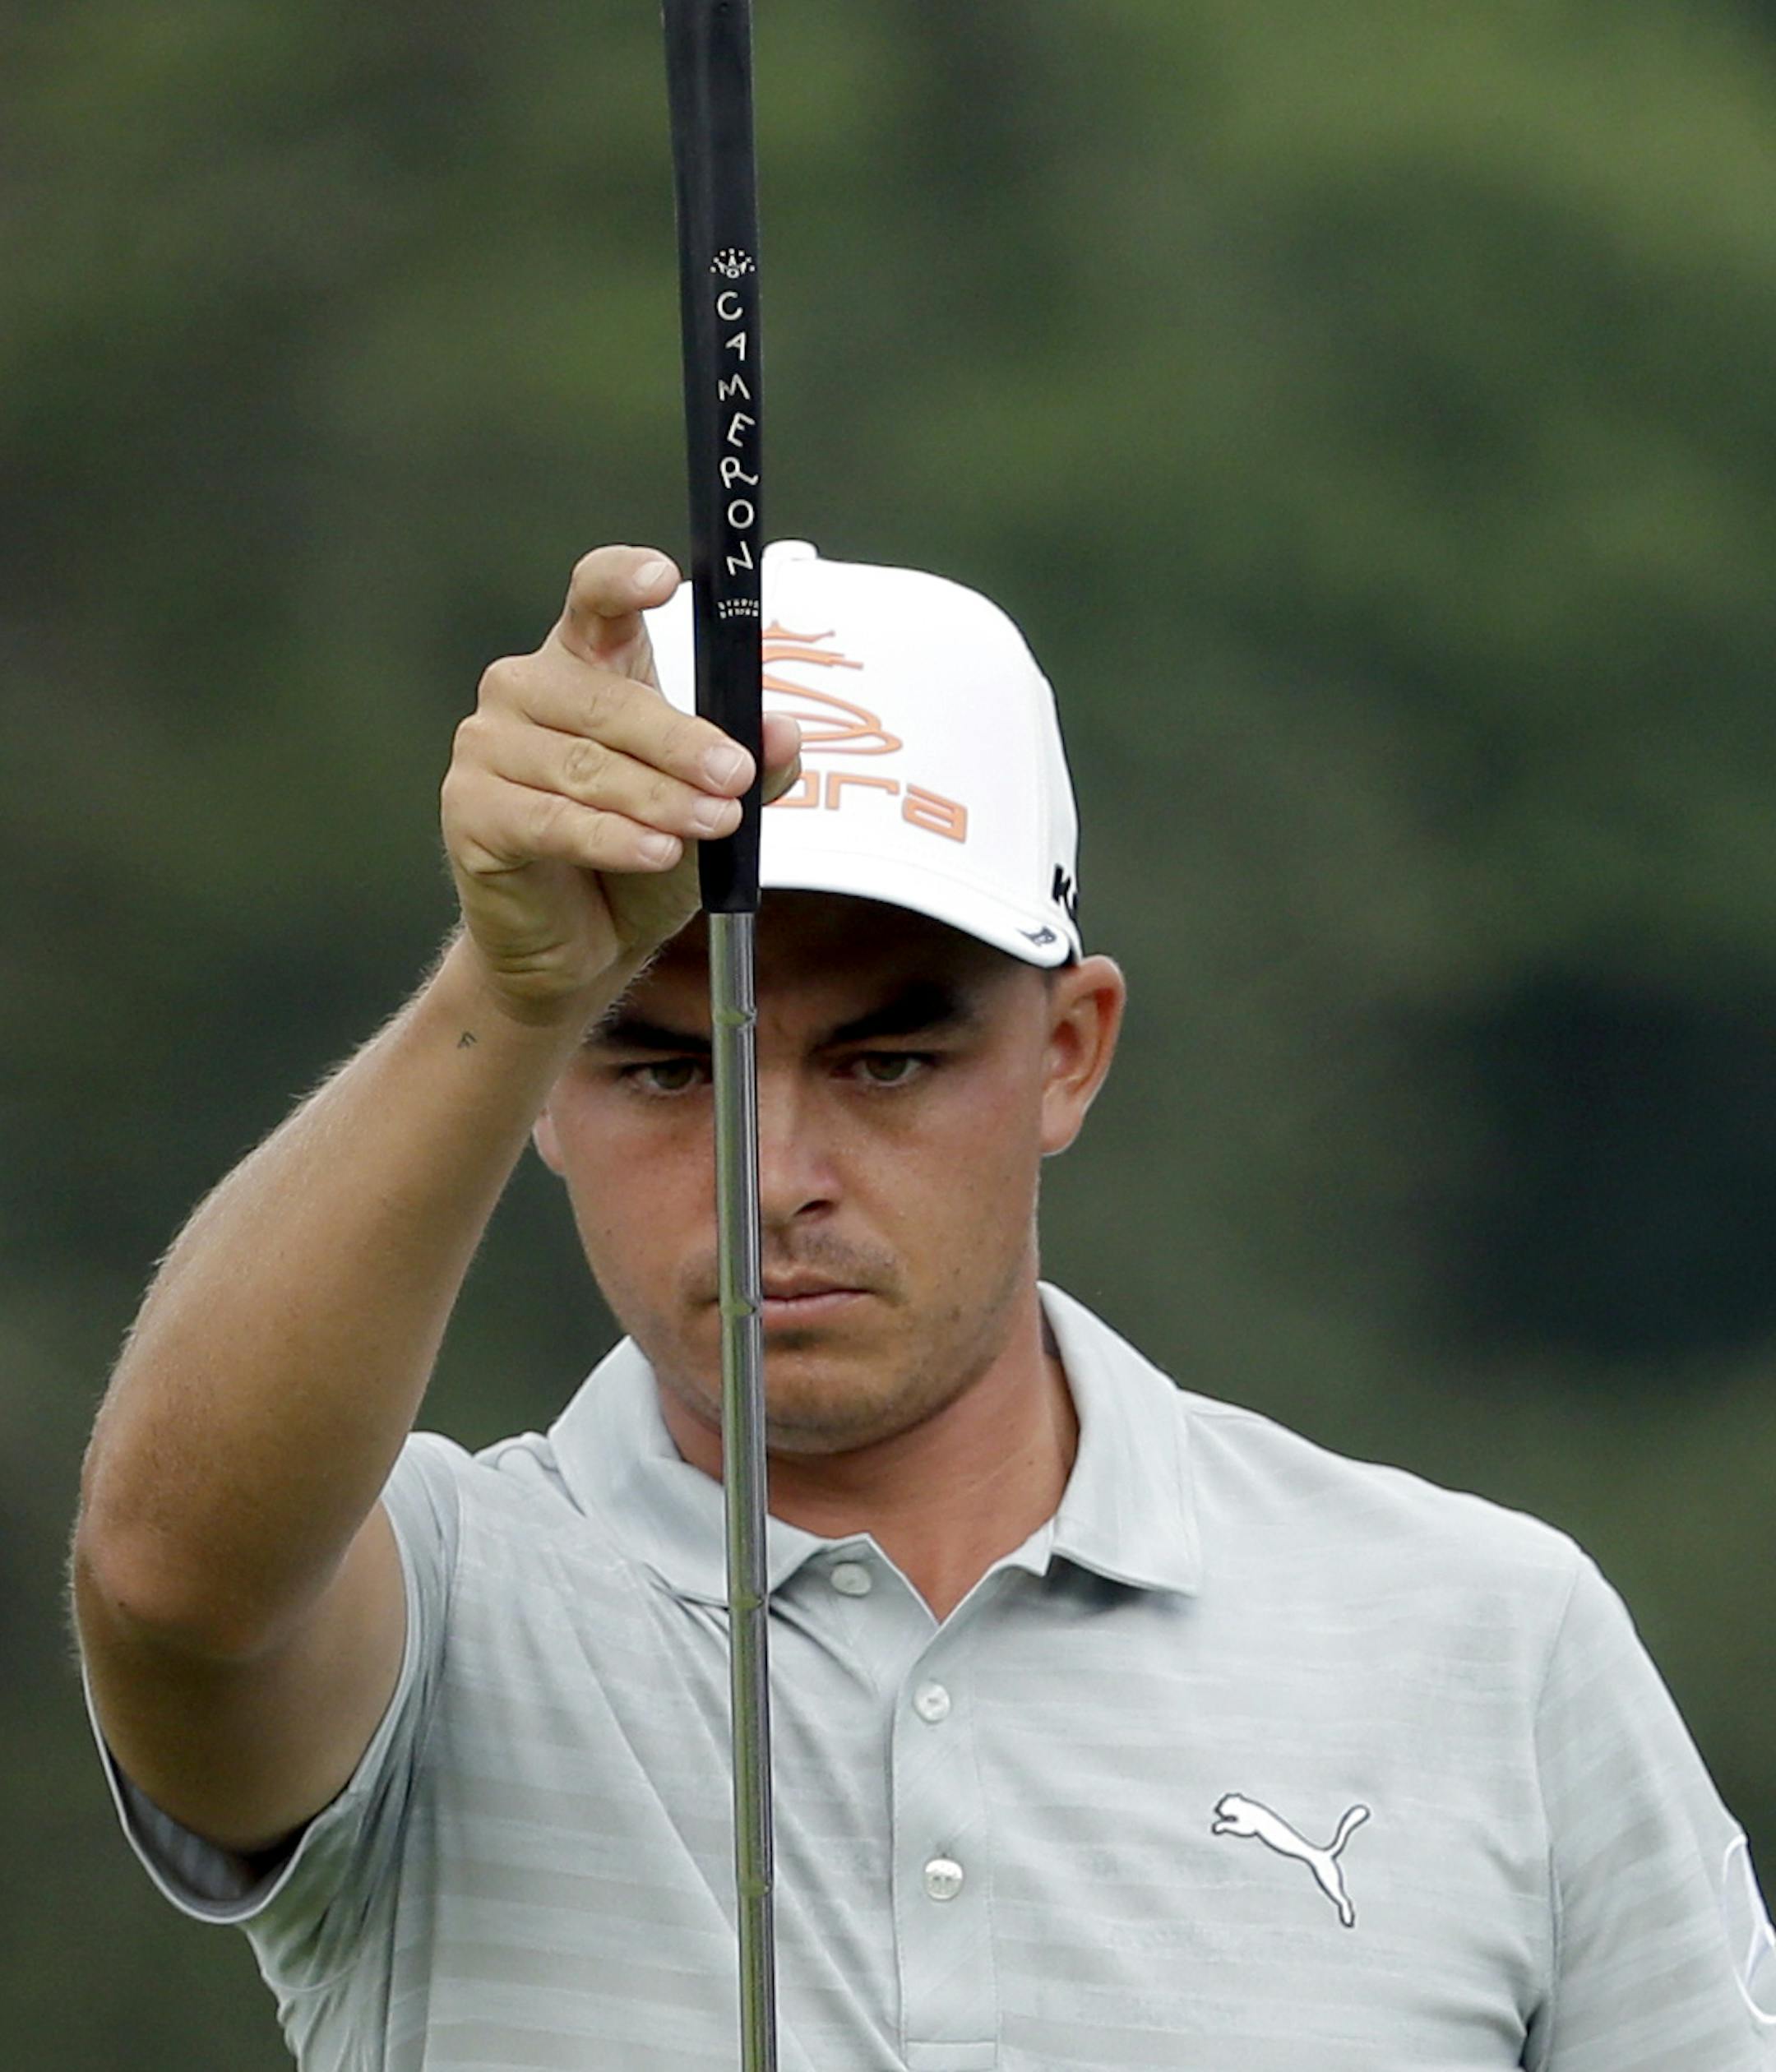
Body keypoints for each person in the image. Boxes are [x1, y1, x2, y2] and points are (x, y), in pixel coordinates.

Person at [73, 540, 1774, 2070]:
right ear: (538, 1096)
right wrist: (509, 985)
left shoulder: (1491, 1638)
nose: (773, 1179)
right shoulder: (435, 1607)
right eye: (665, 1068)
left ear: (1068, 1052)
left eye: (887, 1061)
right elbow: (164, 1584)